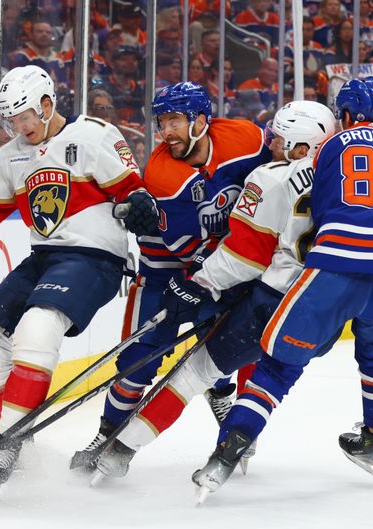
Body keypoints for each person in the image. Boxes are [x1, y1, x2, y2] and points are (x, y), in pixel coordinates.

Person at [0, 65, 157, 497]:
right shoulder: (12, 156)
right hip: (43, 257)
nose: (18, 127)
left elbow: (135, 192)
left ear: (47, 104)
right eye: (9, 120)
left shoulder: (95, 136)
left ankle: (6, 443)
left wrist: (139, 205)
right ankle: (18, 443)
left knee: (37, 329)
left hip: (95, 257)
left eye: (23, 116)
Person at [192, 77, 373, 497]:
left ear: (347, 116)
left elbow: (315, 209)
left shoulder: (335, 144)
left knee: (280, 365)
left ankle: (226, 453)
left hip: (339, 265)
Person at [92, 100, 338, 482]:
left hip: (266, 293)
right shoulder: (342, 181)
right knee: (266, 376)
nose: (269, 146)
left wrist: (198, 283)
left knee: (194, 372)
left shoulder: (270, 178)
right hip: (317, 307)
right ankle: (234, 440)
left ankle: (120, 450)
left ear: (302, 148)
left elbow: (244, 258)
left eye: (280, 140)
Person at [71, 82, 272, 472]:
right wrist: (207, 276)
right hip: (165, 268)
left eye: (175, 121)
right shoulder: (163, 174)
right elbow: (184, 250)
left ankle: (223, 399)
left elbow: (275, 180)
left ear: (201, 120)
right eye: (161, 122)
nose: (165, 133)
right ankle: (108, 433)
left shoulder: (246, 139)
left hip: (223, 265)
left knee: (228, 345)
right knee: (139, 358)